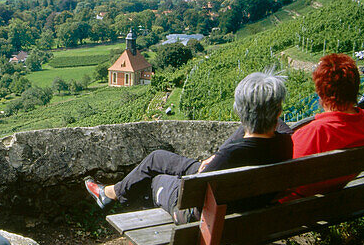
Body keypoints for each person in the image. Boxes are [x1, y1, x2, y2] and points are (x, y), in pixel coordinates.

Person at [85, 71, 292, 222]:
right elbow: (270, 126)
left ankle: (113, 196)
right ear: (278, 109)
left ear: (239, 110)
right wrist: (217, 158)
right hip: (247, 208)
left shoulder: (229, 156)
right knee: (157, 158)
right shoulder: (285, 140)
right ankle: (110, 192)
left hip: (199, 214)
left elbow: (196, 186)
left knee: (155, 178)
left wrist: (215, 161)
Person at [276, 53, 364, 202]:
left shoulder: (314, 133)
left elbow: (282, 178)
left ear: (320, 91)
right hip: (334, 194)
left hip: (297, 206)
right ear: (355, 88)